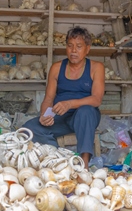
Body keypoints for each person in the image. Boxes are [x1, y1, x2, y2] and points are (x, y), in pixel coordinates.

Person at [23, 26, 105, 169]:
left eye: (79, 47)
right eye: (70, 46)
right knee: (28, 129)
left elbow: (96, 99)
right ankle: (59, 157)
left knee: (86, 111)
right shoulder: (57, 68)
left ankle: (83, 164)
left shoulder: (96, 67)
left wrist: (69, 104)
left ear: (88, 49)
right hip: (60, 115)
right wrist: (45, 115)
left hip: (85, 117)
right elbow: (48, 99)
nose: (73, 51)